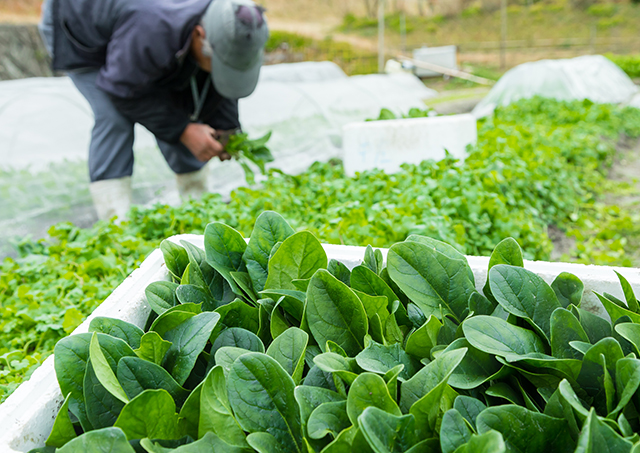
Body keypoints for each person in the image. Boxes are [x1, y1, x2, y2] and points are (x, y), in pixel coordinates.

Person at [39, 0, 269, 220]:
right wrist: (183, 130)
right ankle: (115, 223)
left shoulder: (227, 18)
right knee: (114, 117)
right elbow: (122, 90)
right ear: (200, 35)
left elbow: (217, 81)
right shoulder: (154, 27)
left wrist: (226, 127)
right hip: (82, 25)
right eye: (221, 63)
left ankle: (199, 206)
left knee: (183, 104)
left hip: (134, 26)